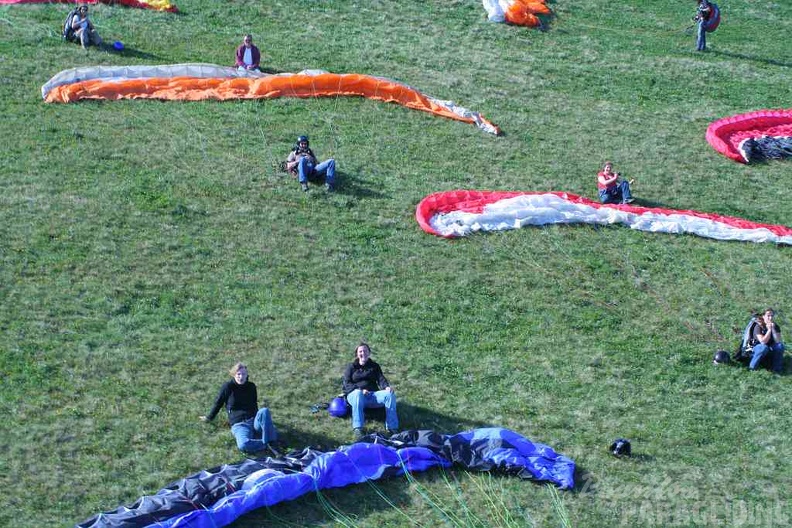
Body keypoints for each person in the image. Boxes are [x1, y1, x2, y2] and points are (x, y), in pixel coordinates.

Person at [200, 362, 279, 453]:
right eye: (238, 374)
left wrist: (259, 420)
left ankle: (270, 441)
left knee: (264, 411)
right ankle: (269, 442)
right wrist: (209, 418)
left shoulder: (251, 386)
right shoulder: (228, 387)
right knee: (243, 445)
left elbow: (254, 403)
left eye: (243, 374)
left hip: (253, 420)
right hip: (239, 424)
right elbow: (218, 403)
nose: (241, 377)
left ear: (247, 375)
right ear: (234, 375)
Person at [342, 343, 399, 439]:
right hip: (355, 396)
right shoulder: (351, 367)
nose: (363, 353)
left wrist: (386, 387)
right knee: (357, 394)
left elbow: (381, 379)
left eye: (365, 351)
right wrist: (359, 390)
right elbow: (346, 384)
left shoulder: (374, 366)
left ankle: (392, 428)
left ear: (369, 353)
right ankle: (358, 428)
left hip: (372, 395)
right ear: (357, 354)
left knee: (389, 395)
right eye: (360, 351)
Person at [749, 308, 785, 373]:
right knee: (763, 347)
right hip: (756, 349)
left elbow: (778, 341)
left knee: (780, 346)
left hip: (769, 349)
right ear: (763, 316)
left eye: (772, 316)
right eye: (768, 315)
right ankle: (752, 368)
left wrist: (773, 329)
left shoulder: (775, 326)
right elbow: (763, 342)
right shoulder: (758, 326)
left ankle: (776, 369)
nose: (770, 318)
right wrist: (769, 330)